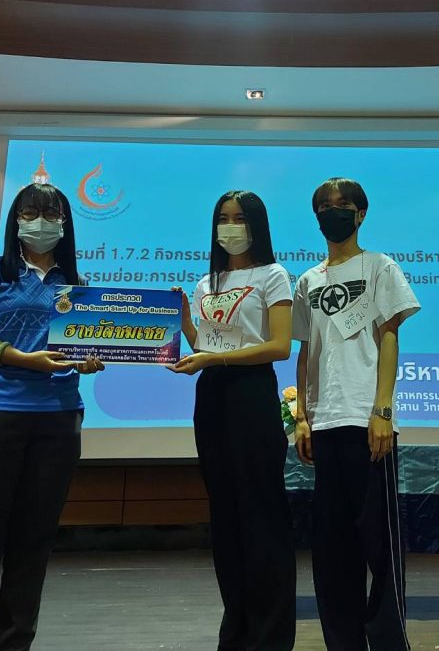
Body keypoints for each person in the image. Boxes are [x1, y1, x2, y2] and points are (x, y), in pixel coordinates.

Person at [0, 182, 104, 651]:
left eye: (51, 213)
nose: (41, 221)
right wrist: (18, 357)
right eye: (31, 212)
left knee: (32, 547)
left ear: (65, 223)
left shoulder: (78, 284)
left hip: (57, 419)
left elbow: (81, 347)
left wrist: (88, 360)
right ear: (16, 219)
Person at [292, 177, 420, 651]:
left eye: (343, 205)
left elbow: (390, 336)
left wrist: (382, 409)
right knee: (331, 551)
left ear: (361, 213)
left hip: (368, 424)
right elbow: (305, 352)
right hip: (324, 425)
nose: (334, 212)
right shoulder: (307, 280)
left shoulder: (380, 266)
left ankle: (388, 643)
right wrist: (301, 417)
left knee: (381, 548)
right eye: (325, 206)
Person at [169, 190, 297, 651]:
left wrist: (214, 360)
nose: (230, 226)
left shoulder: (274, 275)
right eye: (223, 218)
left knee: (262, 516)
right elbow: (207, 345)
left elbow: (279, 346)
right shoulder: (207, 282)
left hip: (251, 394)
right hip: (212, 397)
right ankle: (237, 630)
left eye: (240, 218)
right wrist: (185, 323)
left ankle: (270, 634)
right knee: (225, 518)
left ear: (257, 224)